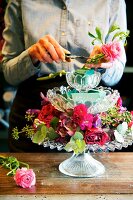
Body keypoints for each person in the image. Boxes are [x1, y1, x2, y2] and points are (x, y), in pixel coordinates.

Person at [2, 0, 127, 152]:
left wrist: (104, 65)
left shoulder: (113, 2)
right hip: (33, 119)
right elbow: (9, 75)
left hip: (92, 121)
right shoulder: (19, 2)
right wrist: (31, 55)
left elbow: (117, 74)